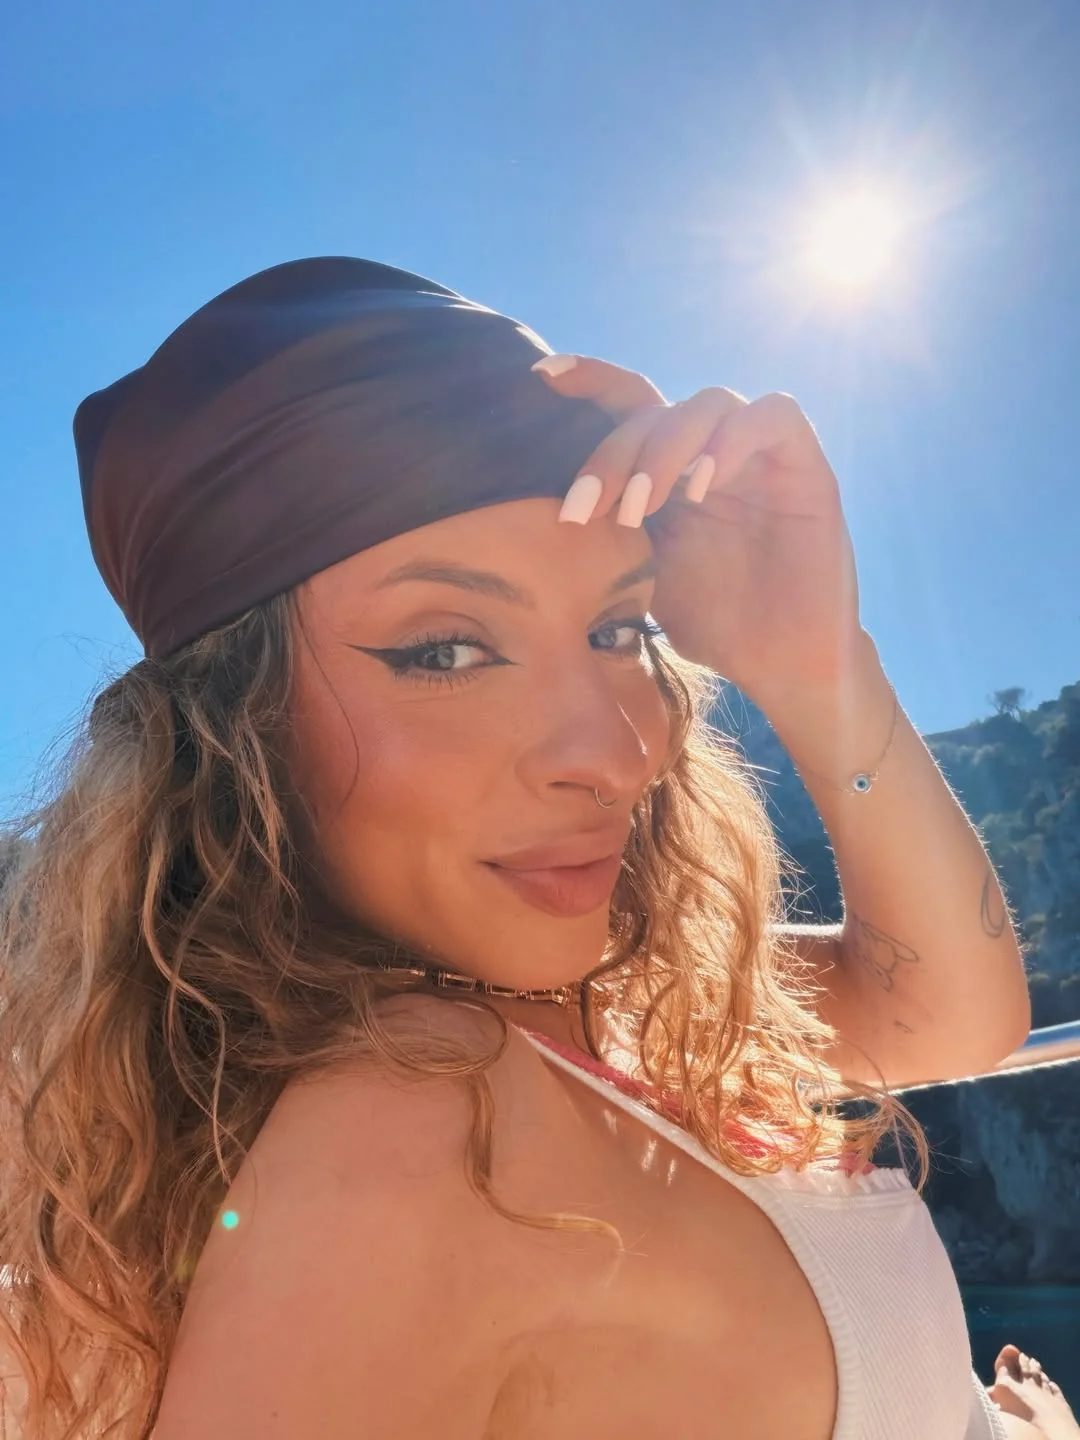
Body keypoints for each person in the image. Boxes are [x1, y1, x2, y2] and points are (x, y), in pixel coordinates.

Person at [0, 256, 1060, 1438]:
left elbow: (948, 1018)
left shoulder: (603, 1003)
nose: (618, 753)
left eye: (619, 628)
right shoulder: (409, 1136)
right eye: (446, 650)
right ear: (225, 731)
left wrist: (813, 663)